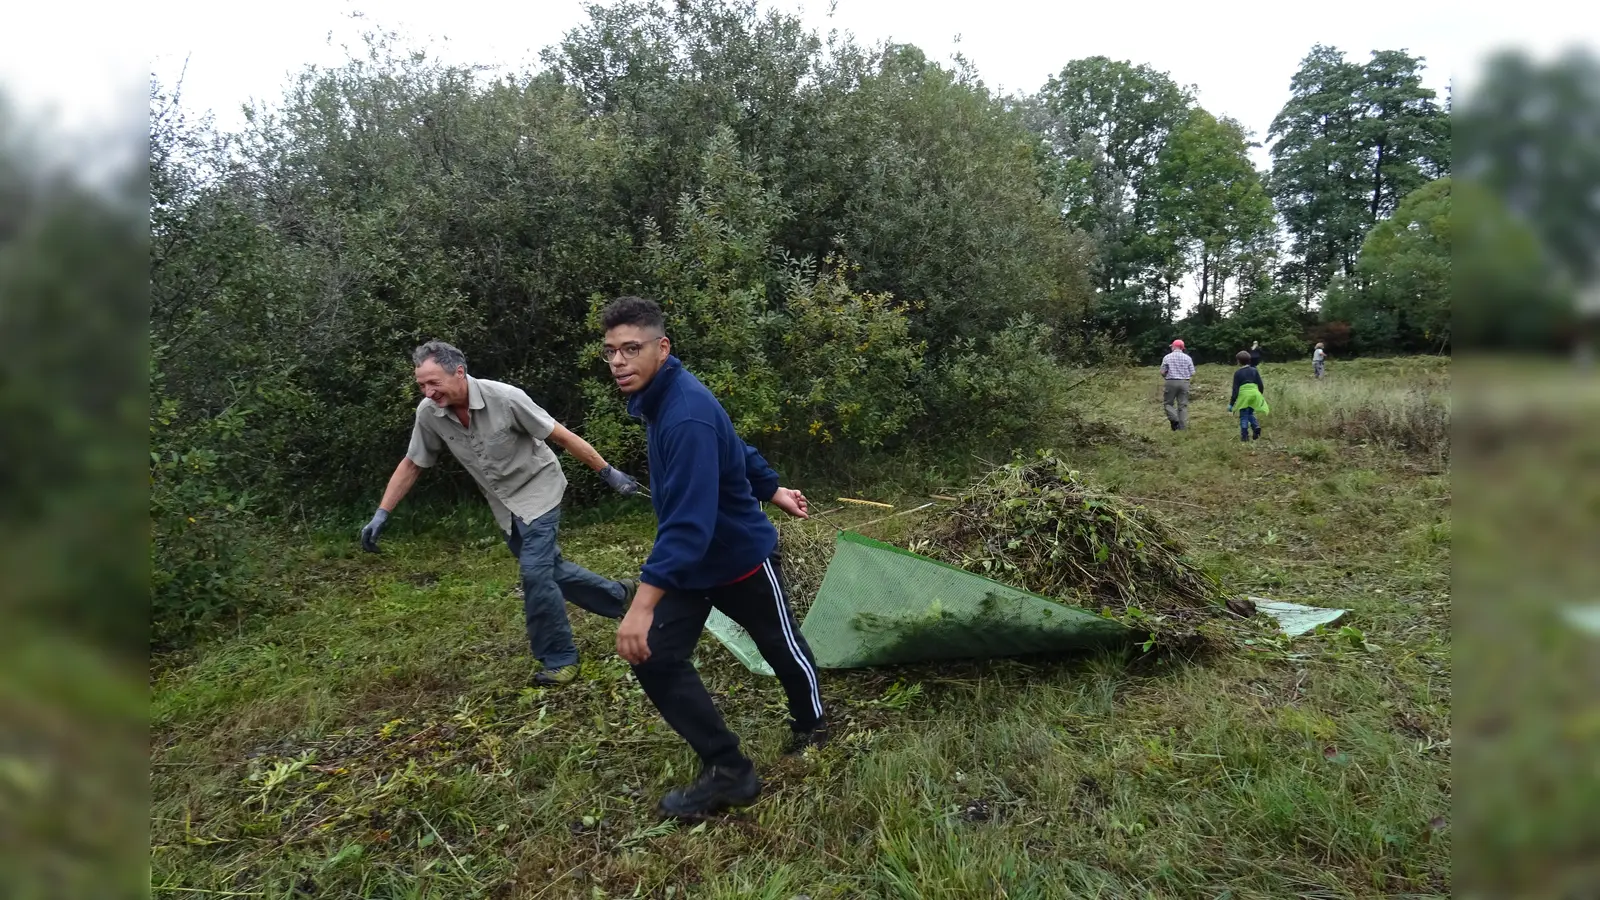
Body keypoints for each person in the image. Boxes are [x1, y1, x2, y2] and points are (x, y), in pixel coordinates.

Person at [600, 295, 825, 819]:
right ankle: (730, 771)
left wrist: (641, 604)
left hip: (738, 557)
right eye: (610, 351)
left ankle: (812, 721)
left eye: (631, 349)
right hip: (690, 565)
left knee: (779, 644)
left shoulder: (685, 414)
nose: (618, 362)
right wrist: (773, 488)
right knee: (653, 656)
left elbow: (689, 523)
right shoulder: (663, 399)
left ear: (662, 347)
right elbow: (736, 449)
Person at [359, 340, 643, 687]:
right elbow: (413, 462)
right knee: (551, 569)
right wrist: (382, 513)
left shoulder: (506, 398)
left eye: (434, 382)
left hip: (540, 490)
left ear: (459, 373)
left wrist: (608, 472)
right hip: (504, 505)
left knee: (536, 574)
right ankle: (619, 594)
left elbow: (562, 436)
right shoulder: (429, 414)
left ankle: (560, 659)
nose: (428, 392)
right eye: (422, 385)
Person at [1228, 350, 1269, 442]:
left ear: (1238, 361)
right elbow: (1260, 384)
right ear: (1249, 360)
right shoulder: (1254, 370)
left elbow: (1235, 390)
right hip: (1254, 394)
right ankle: (1256, 426)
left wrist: (1231, 403)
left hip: (1244, 396)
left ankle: (1244, 436)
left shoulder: (1238, 373)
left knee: (1243, 416)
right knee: (1250, 412)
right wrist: (1260, 395)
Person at [1159, 339, 1196, 431]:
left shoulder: (1167, 357)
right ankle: (1182, 428)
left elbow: (1162, 372)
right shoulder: (1187, 358)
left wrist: (1165, 375)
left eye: (1172, 346)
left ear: (1174, 346)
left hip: (1171, 381)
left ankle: (1175, 419)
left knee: (1168, 403)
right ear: (1182, 348)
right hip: (1184, 382)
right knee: (1182, 406)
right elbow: (1192, 373)